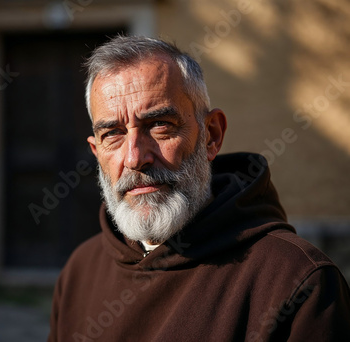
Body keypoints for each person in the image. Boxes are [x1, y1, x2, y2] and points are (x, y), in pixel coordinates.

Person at [47, 35, 350, 341]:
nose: (135, 158)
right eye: (113, 133)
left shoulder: (297, 281)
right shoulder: (79, 272)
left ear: (211, 136)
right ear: (96, 152)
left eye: (159, 125)